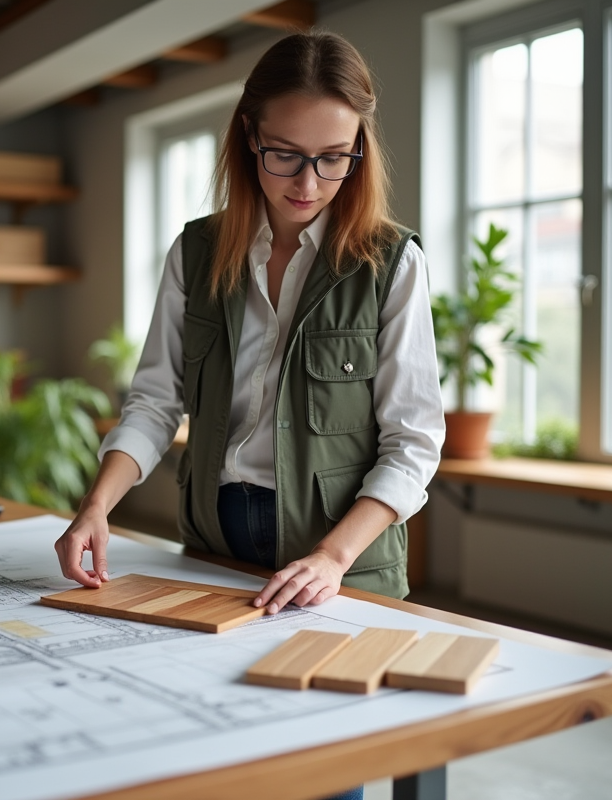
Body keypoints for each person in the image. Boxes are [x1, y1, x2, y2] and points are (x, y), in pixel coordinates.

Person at [55, 30, 445, 800]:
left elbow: (413, 443)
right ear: (248, 136)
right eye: (286, 155)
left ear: (360, 147)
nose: (310, 180)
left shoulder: (392, 263)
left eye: (335, 156)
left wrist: (333, 558)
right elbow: (156, 399)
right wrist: (96, 505)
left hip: (339, 560)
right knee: (213, 756)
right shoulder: (198, 254)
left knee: (325, 773)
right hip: (214, 542)